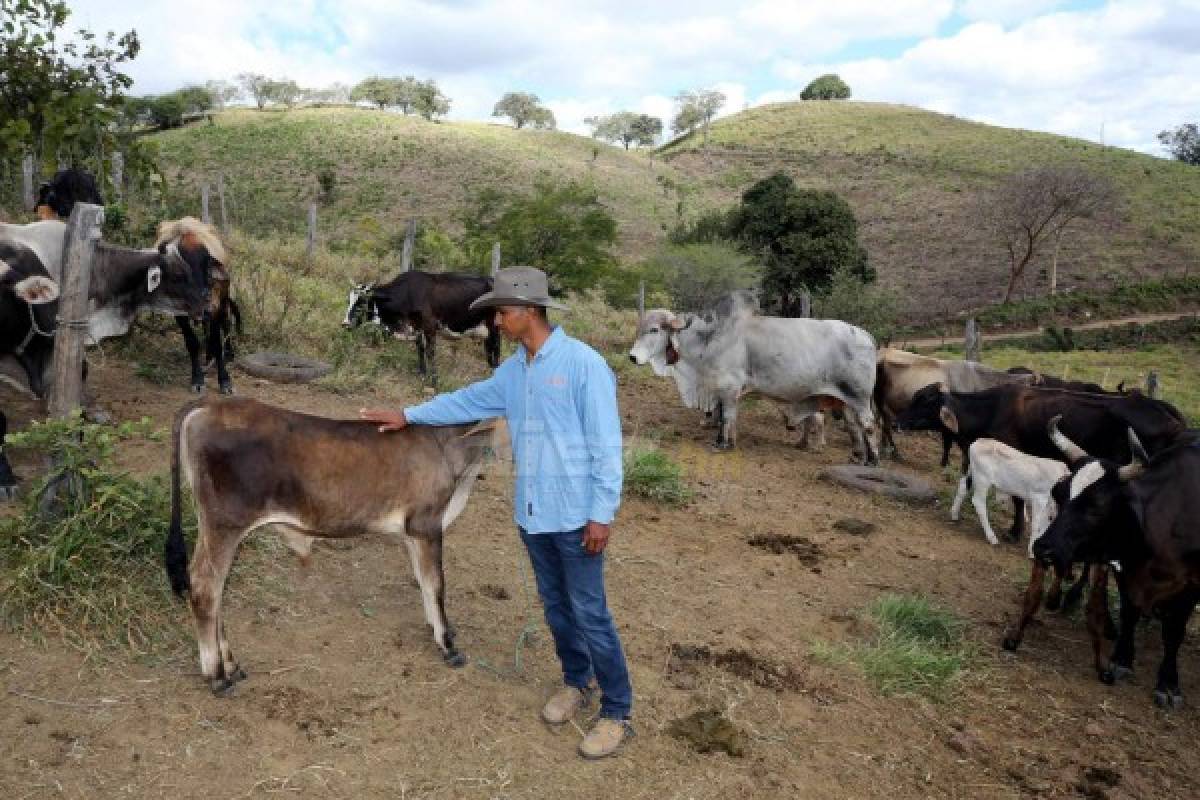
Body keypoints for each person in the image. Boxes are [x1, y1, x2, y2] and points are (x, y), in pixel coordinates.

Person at [360, 266, 634, 759]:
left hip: (576, 515)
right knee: (556, 608)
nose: (498, 324)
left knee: (590, 612)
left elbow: (606, 448)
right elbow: (467, 400)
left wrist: (601, 514)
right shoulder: (515, 371)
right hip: (534, 514)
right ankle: (577, 682)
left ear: (528, 313)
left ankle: (617, 711)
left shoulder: (583, 366)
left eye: (502, 314)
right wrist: (408, 413)